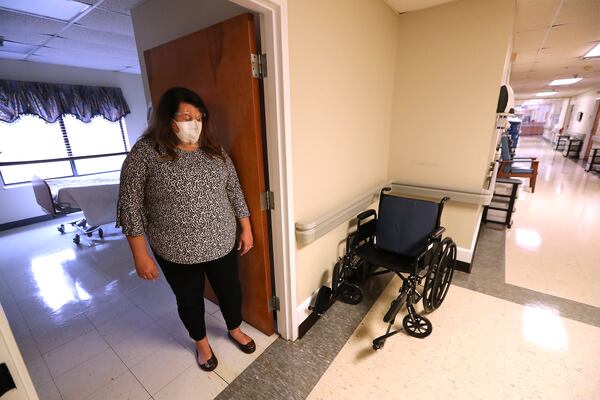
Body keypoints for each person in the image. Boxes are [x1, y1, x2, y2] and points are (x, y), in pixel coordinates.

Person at [116, 87, 256, 372]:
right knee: (190, 300)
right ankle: (201, 343)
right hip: (175, 249)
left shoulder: (214, 151)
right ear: (168, 118)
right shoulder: (146, 152)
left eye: (199, 116)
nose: (194, 123)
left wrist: (246, 228)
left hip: (221, 241)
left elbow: (234, 191)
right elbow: (129, 205)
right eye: (186, 116)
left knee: (230, 291)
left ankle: (234, 328)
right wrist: (140, 255)